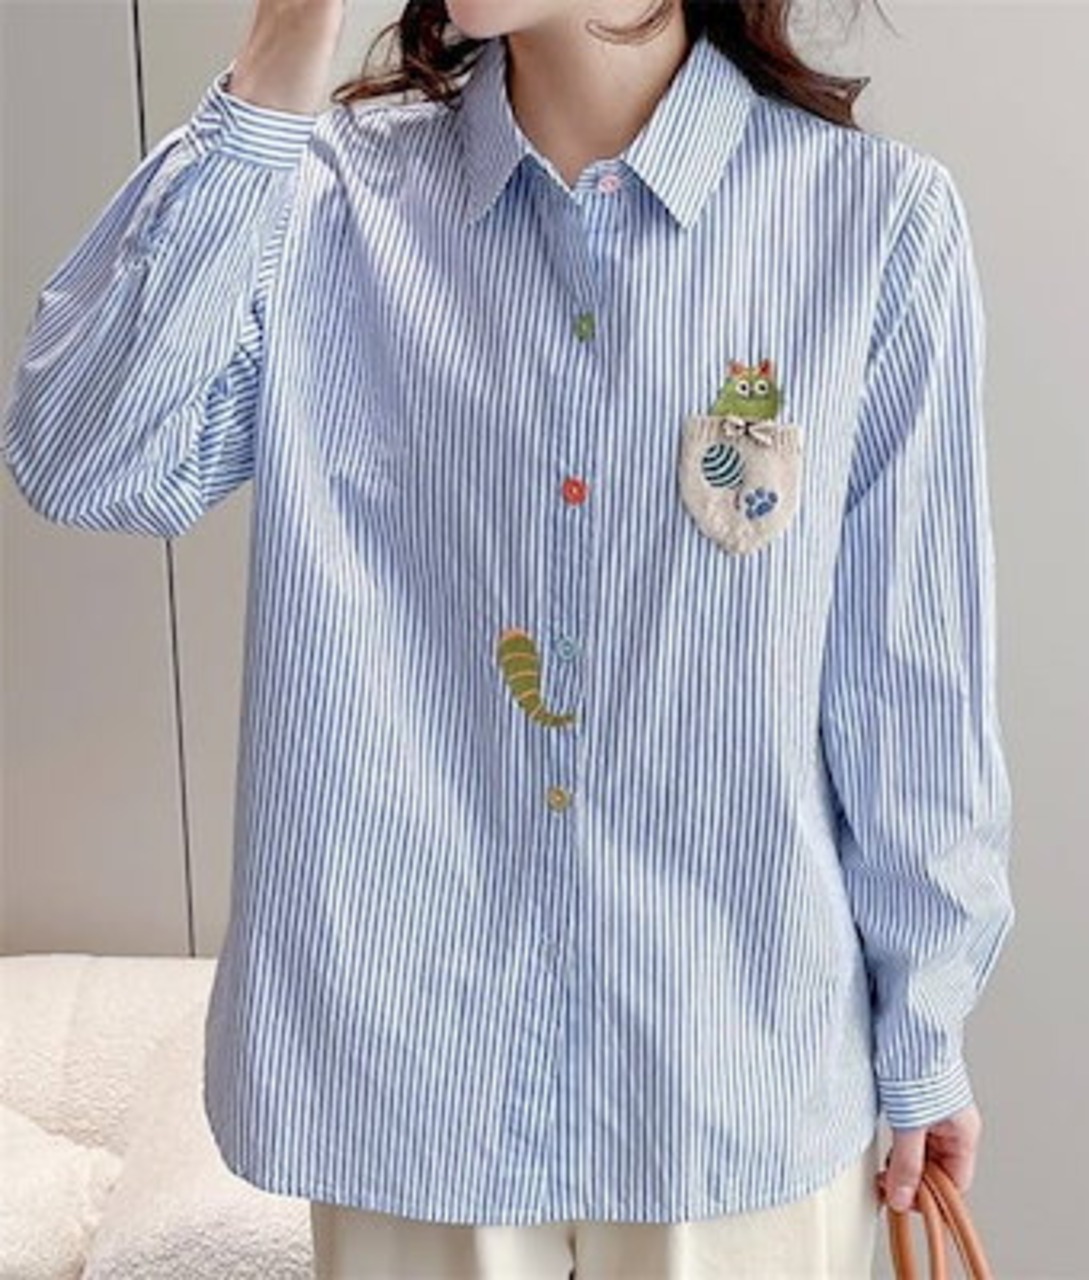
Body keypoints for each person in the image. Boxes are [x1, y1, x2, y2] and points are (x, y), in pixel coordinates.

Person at [1, 0, 1015, 1275]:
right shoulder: (317, 200)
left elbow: (909, 681)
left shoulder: (870, 224)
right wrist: (277, 57)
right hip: (408, 1074)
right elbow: (88, 461)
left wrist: (922, 1028)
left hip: (732, 1075)